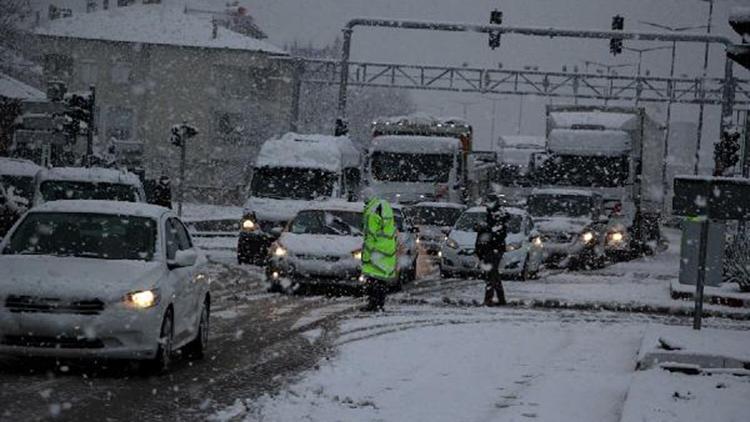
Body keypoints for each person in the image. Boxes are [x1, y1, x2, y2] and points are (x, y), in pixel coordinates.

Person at [360, 196, 398, 312]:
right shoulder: (384, 207)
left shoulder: (372, 213)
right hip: (386, 251)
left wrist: (366, 256)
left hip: (376, 253)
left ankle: (373, 304)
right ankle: (379, 304)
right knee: (381, 281)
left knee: (373, 281)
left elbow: (371, 236)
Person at [475, 197, 509, 306]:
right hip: (491, 248)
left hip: (493, 248)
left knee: (491, 274)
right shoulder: (493, 214)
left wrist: (487, 232)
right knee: (494, 274)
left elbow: (498, 233)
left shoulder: (497, 215)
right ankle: (500, 298)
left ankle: (489, 298)